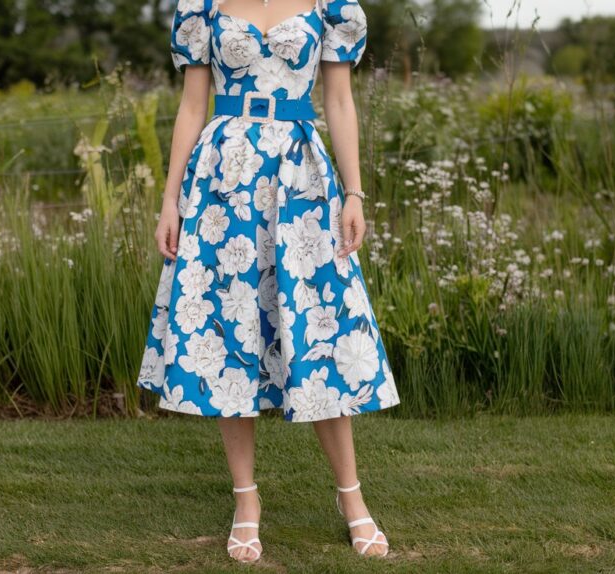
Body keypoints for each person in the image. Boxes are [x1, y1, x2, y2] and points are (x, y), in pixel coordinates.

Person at [136, 0, 399, 562]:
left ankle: (352, 499)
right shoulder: (200, 7)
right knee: (232, 330)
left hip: (300, 177)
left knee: (319, 328)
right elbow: (190, 107)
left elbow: (339, 101)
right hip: (221, 175)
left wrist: (353, 193)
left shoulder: (332, 6)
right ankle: (246, 501)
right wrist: (170, 201)